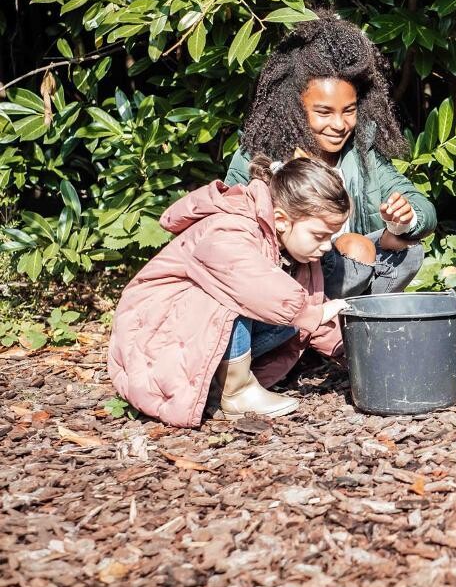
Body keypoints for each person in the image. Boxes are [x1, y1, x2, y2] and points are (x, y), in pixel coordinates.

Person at [108, 156, 351, 427]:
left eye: (331, 236)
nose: (327, 246)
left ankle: (217, 384)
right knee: (242, 294)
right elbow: (248, 280)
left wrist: (351, 352)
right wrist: (309, 312)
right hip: (156, 337)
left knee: (291, 320)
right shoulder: (233, 224)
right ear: (282, 220)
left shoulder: (296, 252)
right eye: (319, 235)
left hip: (191, 339)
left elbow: (312, 306)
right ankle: (237, 392)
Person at [224, 9, 436, 299]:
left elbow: (424, 210)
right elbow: (231, 238)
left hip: (349, 270)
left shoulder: (362, 153)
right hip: (282, 281)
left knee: (407, 247)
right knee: (355, 248)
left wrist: (405, 220)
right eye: (324, 112)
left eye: (349, 111)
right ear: (295, 107)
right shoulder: (258, 157)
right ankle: (320, 327)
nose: (339, 125)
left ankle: (352, 324)